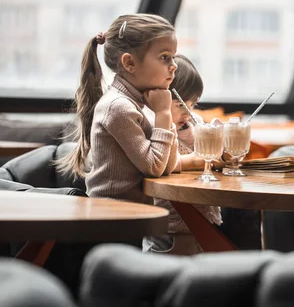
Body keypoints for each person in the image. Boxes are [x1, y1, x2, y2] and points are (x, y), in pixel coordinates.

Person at [58, 14, 179, 207]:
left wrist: (163, 114)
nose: (174, 66)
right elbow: (155, 168)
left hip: (132, 213)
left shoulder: (141, 103)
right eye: (165, 57)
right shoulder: (117, 107)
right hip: (112, 216)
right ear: (129, 63)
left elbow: (167, 166)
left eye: (173, 57)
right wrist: (164, 114)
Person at [143, 55, 222, 255]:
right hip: (167, 223)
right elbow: (161, 164)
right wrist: (197, 160)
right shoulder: (153, 125)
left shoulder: (191, 122)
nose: (188, 111)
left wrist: (222, 150)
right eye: (180, 105)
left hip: (200, 218)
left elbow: (210, 149)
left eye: (192, 103)